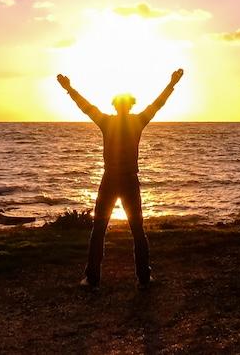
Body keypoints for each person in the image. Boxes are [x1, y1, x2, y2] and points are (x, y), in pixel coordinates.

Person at [56, 67, 183, 288]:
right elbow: (158, 103)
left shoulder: (108, 122)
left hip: (112, 180)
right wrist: (172, 83)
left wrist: (69, 88)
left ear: (115, 106)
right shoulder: (136, 121)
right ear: (129, 106)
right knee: (135, 230)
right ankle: (142, 278)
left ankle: (94, 278)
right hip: (127, 180)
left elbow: (86, 107)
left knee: (101, 229)